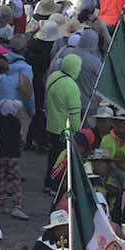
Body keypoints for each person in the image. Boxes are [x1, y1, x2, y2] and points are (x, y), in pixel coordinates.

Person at [44, 54, 82, 192]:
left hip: (51, 125)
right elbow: (74, 113)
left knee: (52, 156)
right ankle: (56, 186)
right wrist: (77, 130)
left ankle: (48, 183)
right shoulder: (71, 86)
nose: (79, 69)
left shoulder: (53, 77)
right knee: (62, 159)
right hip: (65, 129)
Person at [0, 100, 29, 219]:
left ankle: (0, 204)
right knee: (15, 180)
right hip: (13, 155)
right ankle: (17, 205)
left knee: (1, 179)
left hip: (0, 154)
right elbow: (21, 138)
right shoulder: (15, 122)